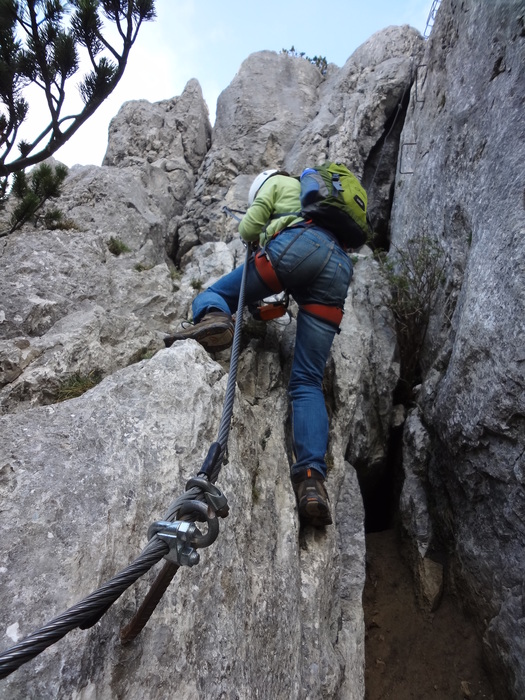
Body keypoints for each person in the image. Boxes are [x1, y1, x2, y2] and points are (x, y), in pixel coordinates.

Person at [164, 169, 354, 528]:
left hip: (298, 247)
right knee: (307, 382)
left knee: (214, 293)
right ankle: (312, 481)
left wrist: (255, 224)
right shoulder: (316, 199)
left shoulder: (275, 184)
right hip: (339, 268)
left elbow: (249, 230)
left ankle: (215, 317)